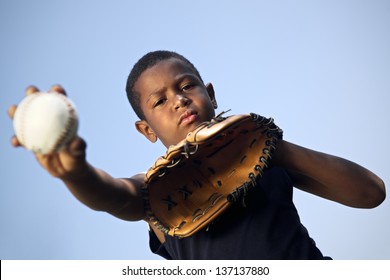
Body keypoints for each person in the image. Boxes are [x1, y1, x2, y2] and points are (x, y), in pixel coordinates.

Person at [8, 50, 386, 259]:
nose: (179, 100)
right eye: (159, 101)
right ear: (146, 130)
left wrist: (275, 147)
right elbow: (114, 194)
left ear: (210, 93)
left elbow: (370, 193)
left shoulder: (263, 153)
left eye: (186, 85)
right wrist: (76, 173)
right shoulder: (156, 188)